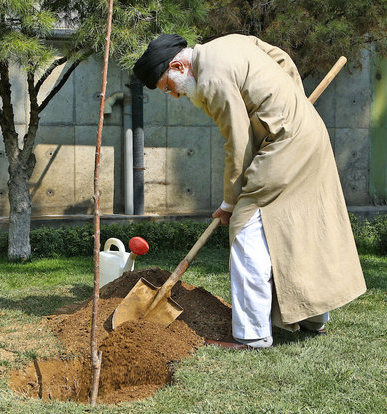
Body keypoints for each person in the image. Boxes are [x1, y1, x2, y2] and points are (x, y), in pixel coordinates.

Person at [133, 34, 367, 349]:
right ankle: (314, 319)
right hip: (307, 131)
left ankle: (251, 335)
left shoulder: (213, 81)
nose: (173, 95)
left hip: (285, 144)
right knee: (299, 223)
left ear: (177, 65)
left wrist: (230, 202)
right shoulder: (227, 44)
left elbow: (238, 143)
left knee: (246, 227)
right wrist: (293, 101)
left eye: (167, 87)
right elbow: (280, 57)